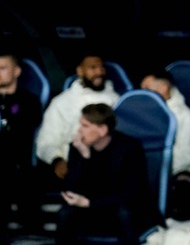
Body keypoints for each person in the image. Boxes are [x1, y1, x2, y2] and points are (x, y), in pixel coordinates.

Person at [55, 103, 162, 245]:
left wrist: (90, 203)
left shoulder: (129, 148)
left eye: (85, 126)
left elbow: (131, 194)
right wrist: (85, 157)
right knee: (65, 213)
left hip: (120, 207)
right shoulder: (78, 147)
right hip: (91, 208)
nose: (79, 131)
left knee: (125, 213)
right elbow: (71, 189)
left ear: (103, 130)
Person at [36, 54, 120, 186]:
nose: (99, 72)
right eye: (93, 68)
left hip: (108, 170)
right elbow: (46, 141)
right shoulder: (61, 102)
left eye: (101, 67)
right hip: (71, 169)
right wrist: (57, 161)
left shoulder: (117, 101)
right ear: (80, 71)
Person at [140, 69, 190, 220]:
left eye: (147, 88)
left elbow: (188, 155)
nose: (143, 94)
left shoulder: (186, 117)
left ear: (163, 88)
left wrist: (155, 168)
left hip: (175, 174)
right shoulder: (142, 114)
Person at [0, 53, 43, 243]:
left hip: (18, 162)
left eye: (2, 68)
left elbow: (23, 131)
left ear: (16, 71)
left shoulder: (29, 101)